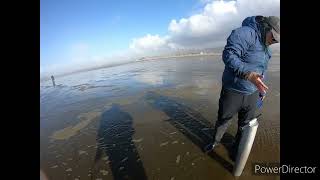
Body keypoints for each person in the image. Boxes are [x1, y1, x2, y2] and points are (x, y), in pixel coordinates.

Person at [204, 15, 280, 161]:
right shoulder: (245, 33)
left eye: (278, 40)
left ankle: (236, 148)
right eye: (274, 37)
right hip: (233, 90)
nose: (275, 41)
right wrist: (248, 74)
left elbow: (262, 67)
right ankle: (215, 142)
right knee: (223, 119)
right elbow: (229, 55)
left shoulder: (266, 45)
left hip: (253, 92)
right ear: (266, 27)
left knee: (245, 125)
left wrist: (261, 89)